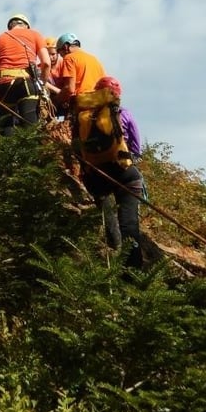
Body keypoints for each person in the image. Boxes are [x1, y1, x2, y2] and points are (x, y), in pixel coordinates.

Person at [79, 75, 145, 269]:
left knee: (104, 202)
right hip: (124, 171)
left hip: (96, 175)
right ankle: (133, 270)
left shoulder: (82, 116)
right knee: (129, 223)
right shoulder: (124, 114)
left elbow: (77, 147)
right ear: (117, 95)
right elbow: (136, 148)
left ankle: (113, 245)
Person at [0, 14, 50, 135]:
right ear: (26, 25)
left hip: (3, 84)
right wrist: (42, 83)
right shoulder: (34, 34)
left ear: (10, 26)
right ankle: (30, 146)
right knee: (30, 122)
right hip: (25, 82)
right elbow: (46, 63)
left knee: (7, 124)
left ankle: (8, 145)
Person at [55, 32, 107, 104]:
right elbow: (105, 83)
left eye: (59, 52)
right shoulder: (94, 59)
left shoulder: (69, 58)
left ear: (66, 47)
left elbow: (70, 88)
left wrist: (56, 100)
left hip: (83, 103)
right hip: (99, 103)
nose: (61, 56)